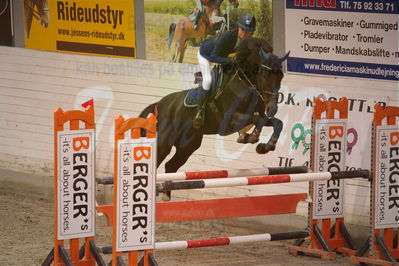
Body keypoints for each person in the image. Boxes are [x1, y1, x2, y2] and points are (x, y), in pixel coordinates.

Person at [193, 13, 256, 129]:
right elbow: (213, 58)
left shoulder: (248, 41)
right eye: (243, 30)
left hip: (223, 57)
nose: (245, 33)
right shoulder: (227, 37)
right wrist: (231, 60)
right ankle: (200, 112)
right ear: (238, 28)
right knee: (207, 80)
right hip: (206, 55)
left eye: (248, 31)